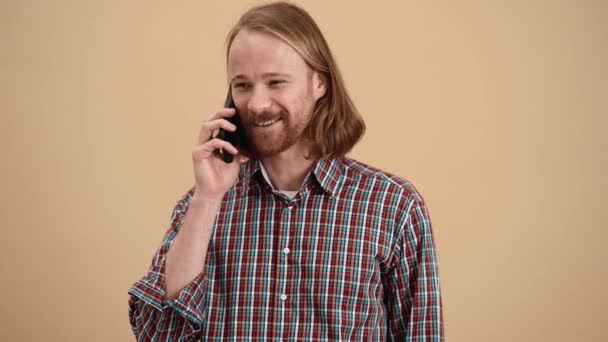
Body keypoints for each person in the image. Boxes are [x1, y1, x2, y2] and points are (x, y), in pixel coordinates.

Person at [128, 2, 444, 341]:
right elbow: (158, 334)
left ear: (319, 83)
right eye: (242, 85)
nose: (257, 104)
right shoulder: (201, 206)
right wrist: (206, 199)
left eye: (275, 82)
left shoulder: (394, 206)